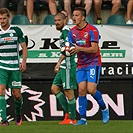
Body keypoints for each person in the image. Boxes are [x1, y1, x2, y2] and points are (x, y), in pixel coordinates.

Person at [69, 7, 109, 125]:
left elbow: (94, 49)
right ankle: (83, 119)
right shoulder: (72, 32)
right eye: (73, 15)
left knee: (91, 90)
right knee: (81, 90)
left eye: (76, 15)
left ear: (83, 17)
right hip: (81, 64)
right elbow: (70, 47)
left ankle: (104, 109)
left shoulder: (92, 30)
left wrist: (79, 48)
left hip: (93, 62)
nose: (74, 18)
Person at [0, 8, 27, 126]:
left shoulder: (16, 30)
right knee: (1, 90)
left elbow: (24, 48)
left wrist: (24, 62)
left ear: (8, 18)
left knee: (17, 95)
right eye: (0, 19)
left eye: (4, 18)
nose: (2, 21)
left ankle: (18, 114)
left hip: (15, 68)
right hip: (2, 66)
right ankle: (4, 120)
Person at [51, 12, 77, 124]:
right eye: (55, 21)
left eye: (59, 20)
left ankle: (72, 118)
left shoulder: (66, 32)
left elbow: (68, 49)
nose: (57, 23)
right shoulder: (63, 32)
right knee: (54, 88)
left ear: (65, 20)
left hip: (67, 65)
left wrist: (58, 62)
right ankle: (68, 113)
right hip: (63, 66)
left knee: (68, 91)